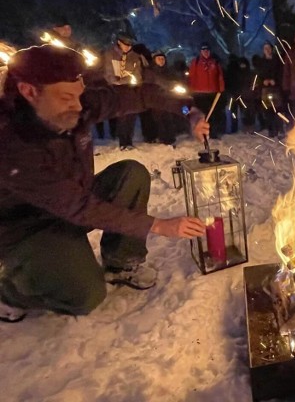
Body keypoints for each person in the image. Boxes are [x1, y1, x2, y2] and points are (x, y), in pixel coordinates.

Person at [0, 45, 208, 323]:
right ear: (29, 91)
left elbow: (141, 94)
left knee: (130, 174)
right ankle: (11, 291)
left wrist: (188, 110)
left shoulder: (79, 105)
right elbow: (79, 206)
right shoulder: (12, 142)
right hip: (27, 229)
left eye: (79, 94)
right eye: (66, 97)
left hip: (72, 203)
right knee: (87, 295)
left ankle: (121, 262)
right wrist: (159, 225)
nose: (78, 105)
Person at [103, 32, 148, 149]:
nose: (128, 46)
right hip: (117, 91)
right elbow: (108, 73)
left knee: (131, 117)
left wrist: (125, 80)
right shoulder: (109, 54)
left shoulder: (135, 57)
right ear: (119, 42)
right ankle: (123, 142)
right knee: (122, 117)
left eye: (130, 44)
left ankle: (129, 140)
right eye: (125, 44)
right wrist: (116, 81)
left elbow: (137, 75)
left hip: (130, 90)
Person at [188, 43, 225, 138]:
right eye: (204, 50)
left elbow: (220, 76)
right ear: (201, 52)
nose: (206, 52)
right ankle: (202, 132)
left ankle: (213, 132)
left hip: (213, 92)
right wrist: (190, 90)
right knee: (202, 114)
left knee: (213, 113)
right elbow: (191, 77)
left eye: (207, 50)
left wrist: (221, 88)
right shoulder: (195, 62)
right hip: (199, 93)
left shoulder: (215, 62)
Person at [145, 50, 179, 145]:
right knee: (159, 120)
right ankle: (161, 138)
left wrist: (174, 85)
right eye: (159, 59)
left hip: (167, 99)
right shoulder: (150, 71)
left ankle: (170, 138)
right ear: (154, 60)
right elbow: (153, 83)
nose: (161, 60)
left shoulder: (168, 71)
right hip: (155, 100)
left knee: (168, 118)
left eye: (163, 59)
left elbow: (175, 81)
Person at [253, 42, 284, 138]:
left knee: (278, 109)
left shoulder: (277, 60)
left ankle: (280, 129)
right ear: (263, 50)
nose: (267, 50)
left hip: (276, 88)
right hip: (266, 89)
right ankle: (271, 130)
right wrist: (263, 82)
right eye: (265, 48)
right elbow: (258, 76)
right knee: (268, 110)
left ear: (272, 49)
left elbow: (281, 73)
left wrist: (276, 81)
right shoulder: (261, 62)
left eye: (269, 48)